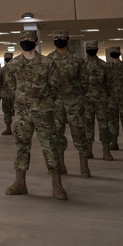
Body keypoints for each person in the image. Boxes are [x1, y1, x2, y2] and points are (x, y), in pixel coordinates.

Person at [3, 30, 67, 200]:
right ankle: (20, 182)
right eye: (23, 39)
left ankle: (57, 184)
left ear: (37, 42)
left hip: (43, 112)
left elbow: (55, 87)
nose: (26, 41)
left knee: (49, 146)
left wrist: (42, 101)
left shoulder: (48, 63)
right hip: (22, 113)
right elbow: (11, 87)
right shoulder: (13, 64)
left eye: (30, 39)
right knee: (21, 146)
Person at [48, 30, 90, 177]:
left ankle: (84, 166)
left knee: (79, 134)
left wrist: (77, 96)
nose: (59, 40)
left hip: (74, 102)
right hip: (56, 104)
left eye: (62, 38)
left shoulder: (77, 59)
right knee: (57, 135)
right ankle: (60, 164)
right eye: (56, 38)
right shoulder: (49, 59)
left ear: (67, 39)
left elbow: (85, 82)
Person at [82, 40, 113, 160]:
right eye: (89, 47)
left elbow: (109, 82)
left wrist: (109, 97)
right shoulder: (82, 64)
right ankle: (89, 150)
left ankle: (106, 151)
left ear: (96, 49)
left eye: (93, 48)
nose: (91, 49)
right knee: (87, 126)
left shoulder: (103, 65)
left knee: (104, 126)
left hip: (101, 100)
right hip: (86, 100)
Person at [0, 52, 15, 135]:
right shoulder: (16, 69)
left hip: (8, 94)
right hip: (13, 94)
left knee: (8, 112)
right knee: (10, 112)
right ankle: (10, 129)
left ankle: (9, 128)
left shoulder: (2, 70)